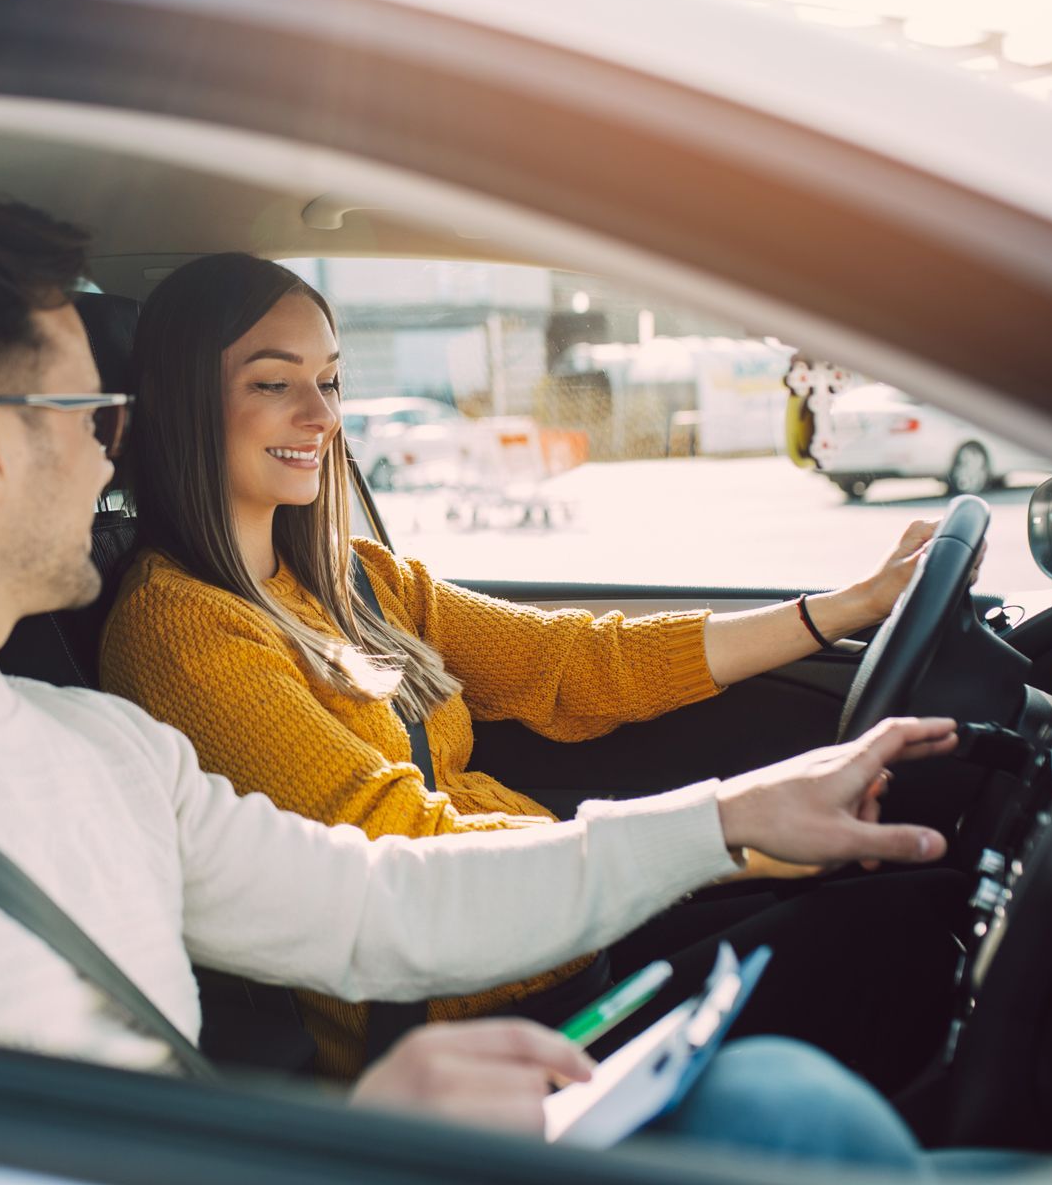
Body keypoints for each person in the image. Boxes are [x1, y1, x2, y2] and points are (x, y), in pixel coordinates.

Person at [0, 194, 956, 1168]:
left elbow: (380, 902)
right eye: (94, 413)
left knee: (780, 1110)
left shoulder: (92, 749)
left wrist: (731, 818)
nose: (114, 452)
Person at [100, 252, 967, 1087]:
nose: (323, 416)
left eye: (329, 380)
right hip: (457, 1031)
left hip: (552, 947)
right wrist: (722, 842)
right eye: (273, 382)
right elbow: (400, 861)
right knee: (895, 936)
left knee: (914, 902)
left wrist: (844, 609)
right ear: (186, 404)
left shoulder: (359, 578)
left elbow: (576, 664)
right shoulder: (182, 630)